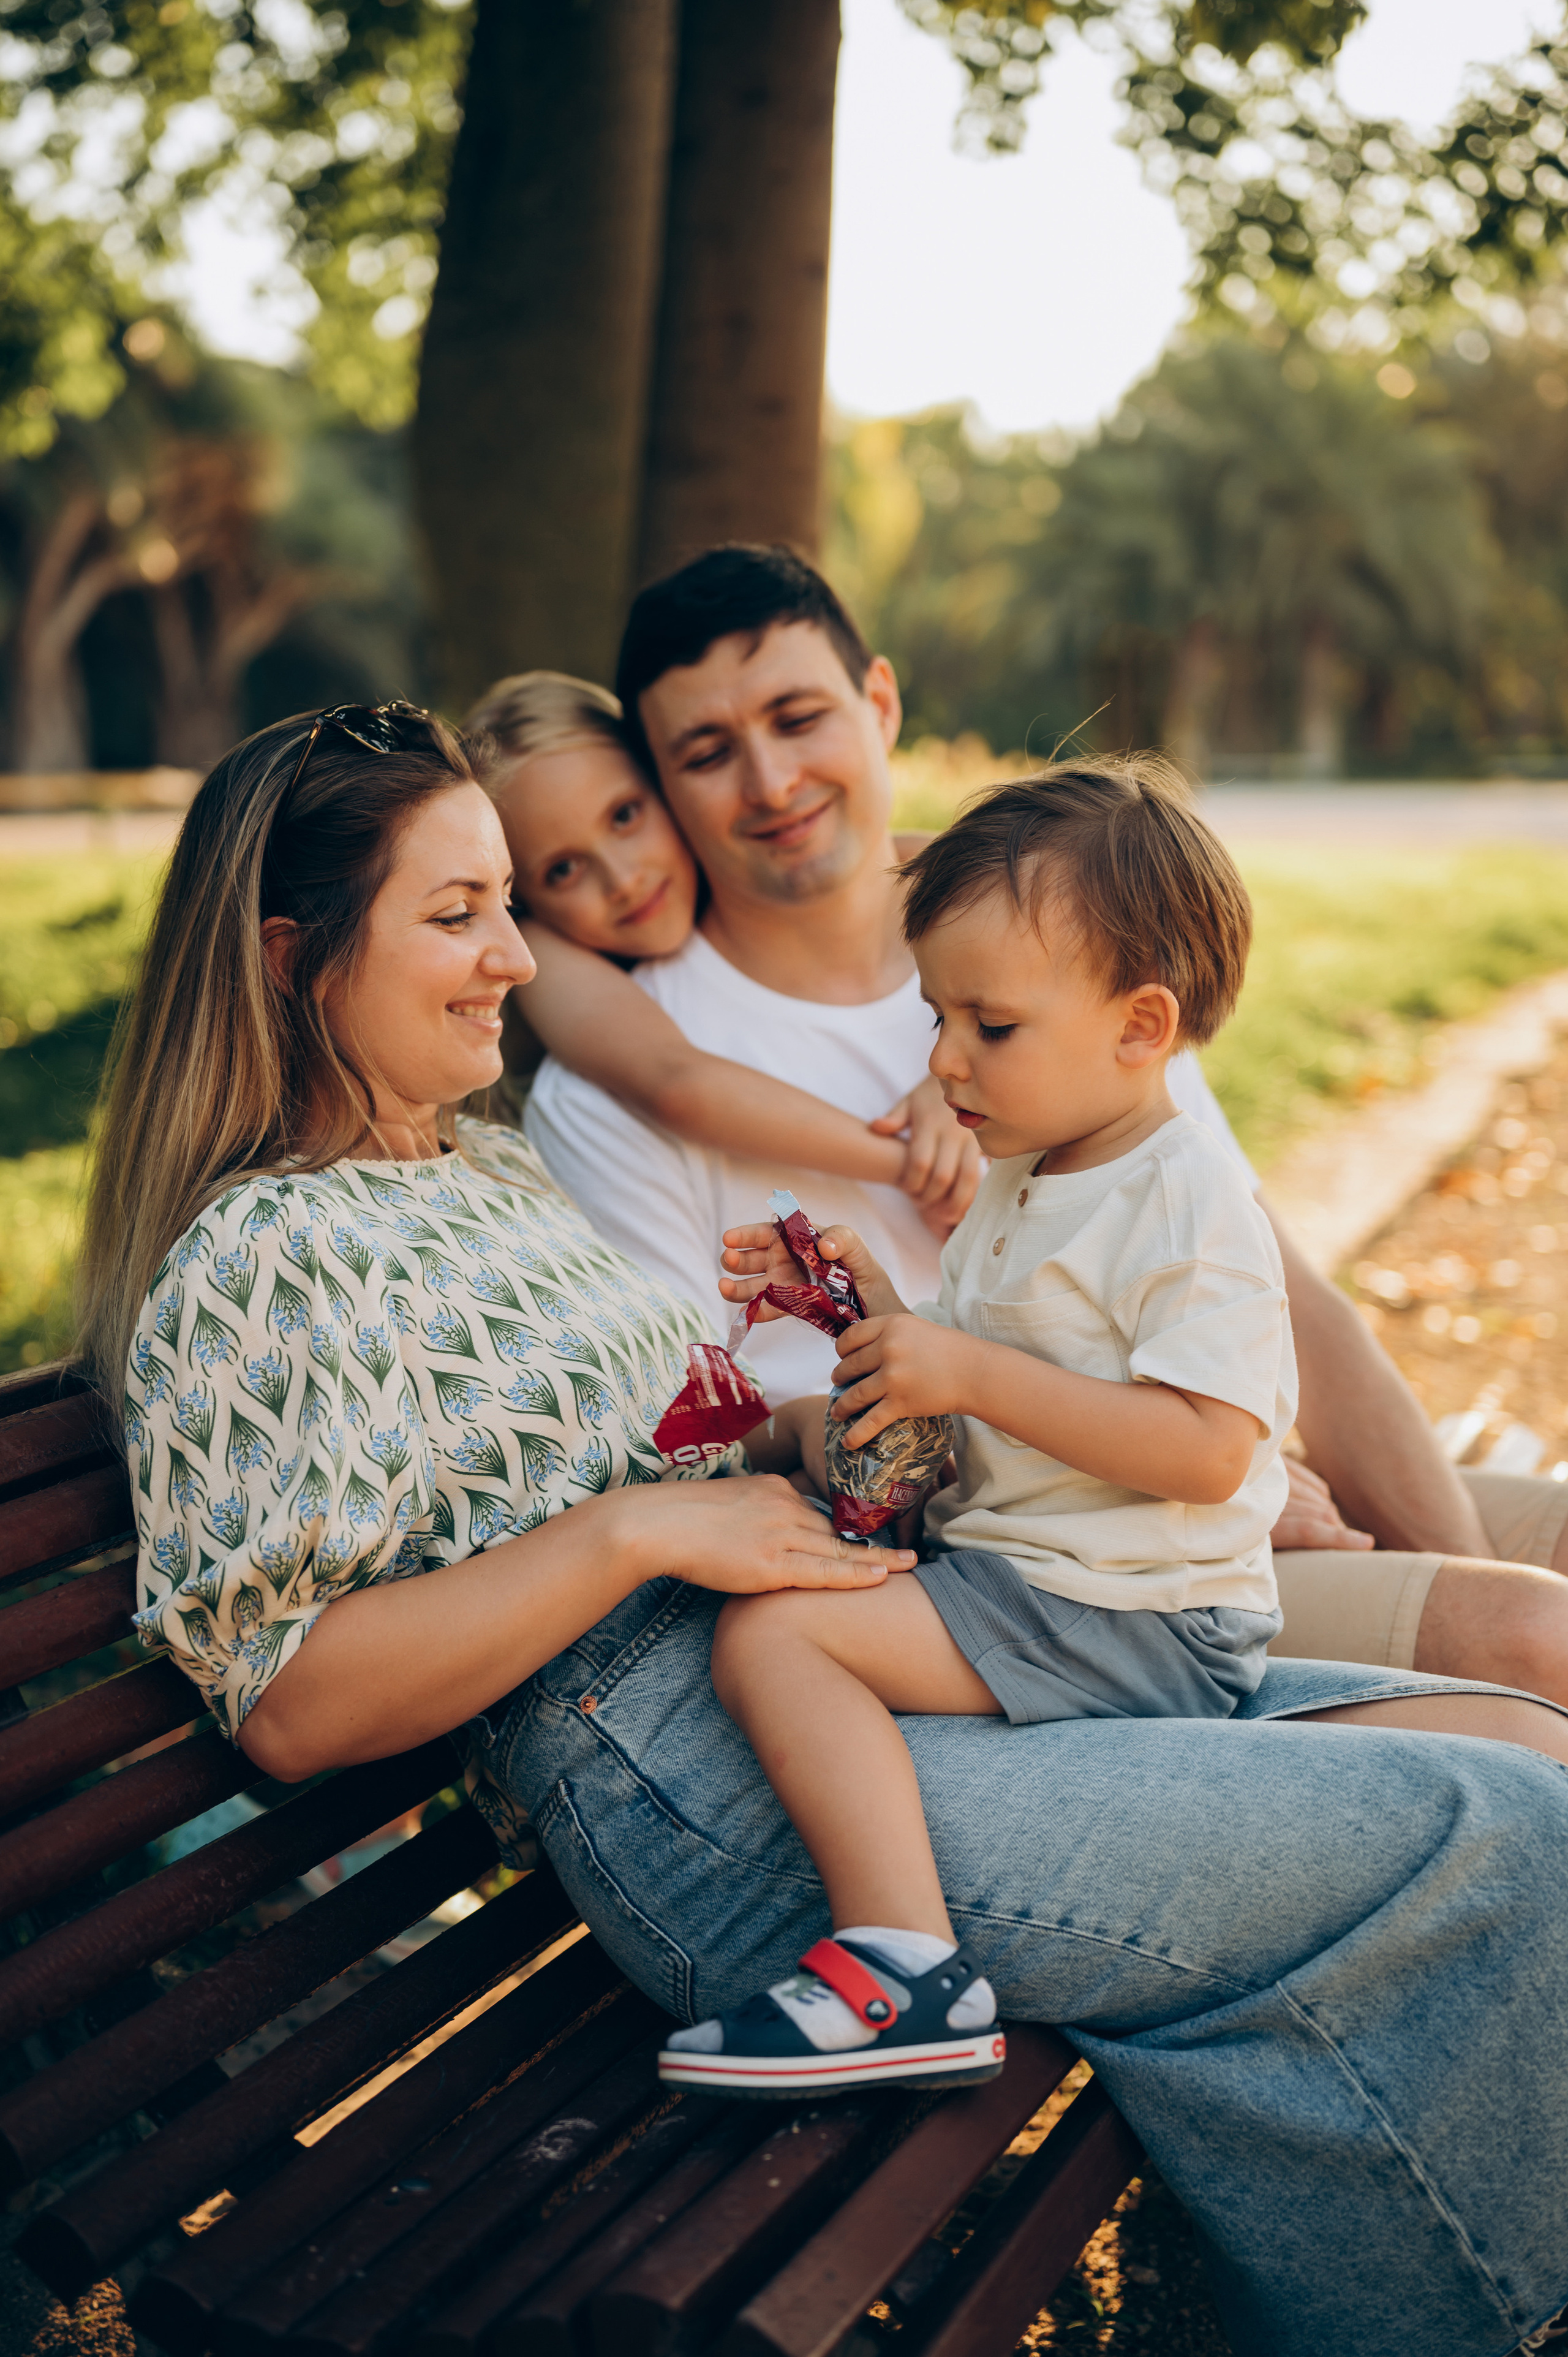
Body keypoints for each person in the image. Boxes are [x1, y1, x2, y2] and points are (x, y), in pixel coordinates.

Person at [80, 696, 1568, 2356]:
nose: (517, 952)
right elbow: (293, 1700)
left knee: (1529, 1744)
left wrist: (821, 1412)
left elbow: (673, 1452)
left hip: (873, 1668)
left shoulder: (483, 1177)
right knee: (1495, 1829)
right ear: (291, 956)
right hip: (701, 1791)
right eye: (458, 912)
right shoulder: (264, 1260)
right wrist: (636, 1534)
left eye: (508, 899)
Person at [520, 541, 1568, 1704]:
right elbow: (686, 1415)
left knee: (1542, 1561)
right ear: (663, 790)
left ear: (878, 701)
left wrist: (1397, 1532)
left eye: (798, 716)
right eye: (707, 753)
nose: (769, 782)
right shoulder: (611, 1087)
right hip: (1032, 1571)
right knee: (1529, 1636)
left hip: (1192, 1468)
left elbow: (1277, 1288)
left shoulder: (1046, 947)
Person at [659, 762, 1297, 2096]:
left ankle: (904, 1968)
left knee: (776, 1634)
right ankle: (901, 1956)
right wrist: (870, 1311)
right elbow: (987, 1374)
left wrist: (965, 1373)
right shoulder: (1034, 1170)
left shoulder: (1189, 1203)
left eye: (987, 1026)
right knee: (784, 1597)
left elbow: (1205, 1451)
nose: (943, 1061)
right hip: (1041, 1582)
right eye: (934, 1016)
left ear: (1139, 1027)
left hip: (1133, 1613)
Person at [464, 667, 977, 1231]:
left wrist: (942, 1086)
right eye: (562, 870)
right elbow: (678, 1086)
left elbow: (915, 859)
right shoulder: (541, 951)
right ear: (525, 899)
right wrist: (920, 1166)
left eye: (625, 815)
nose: (623, 879)